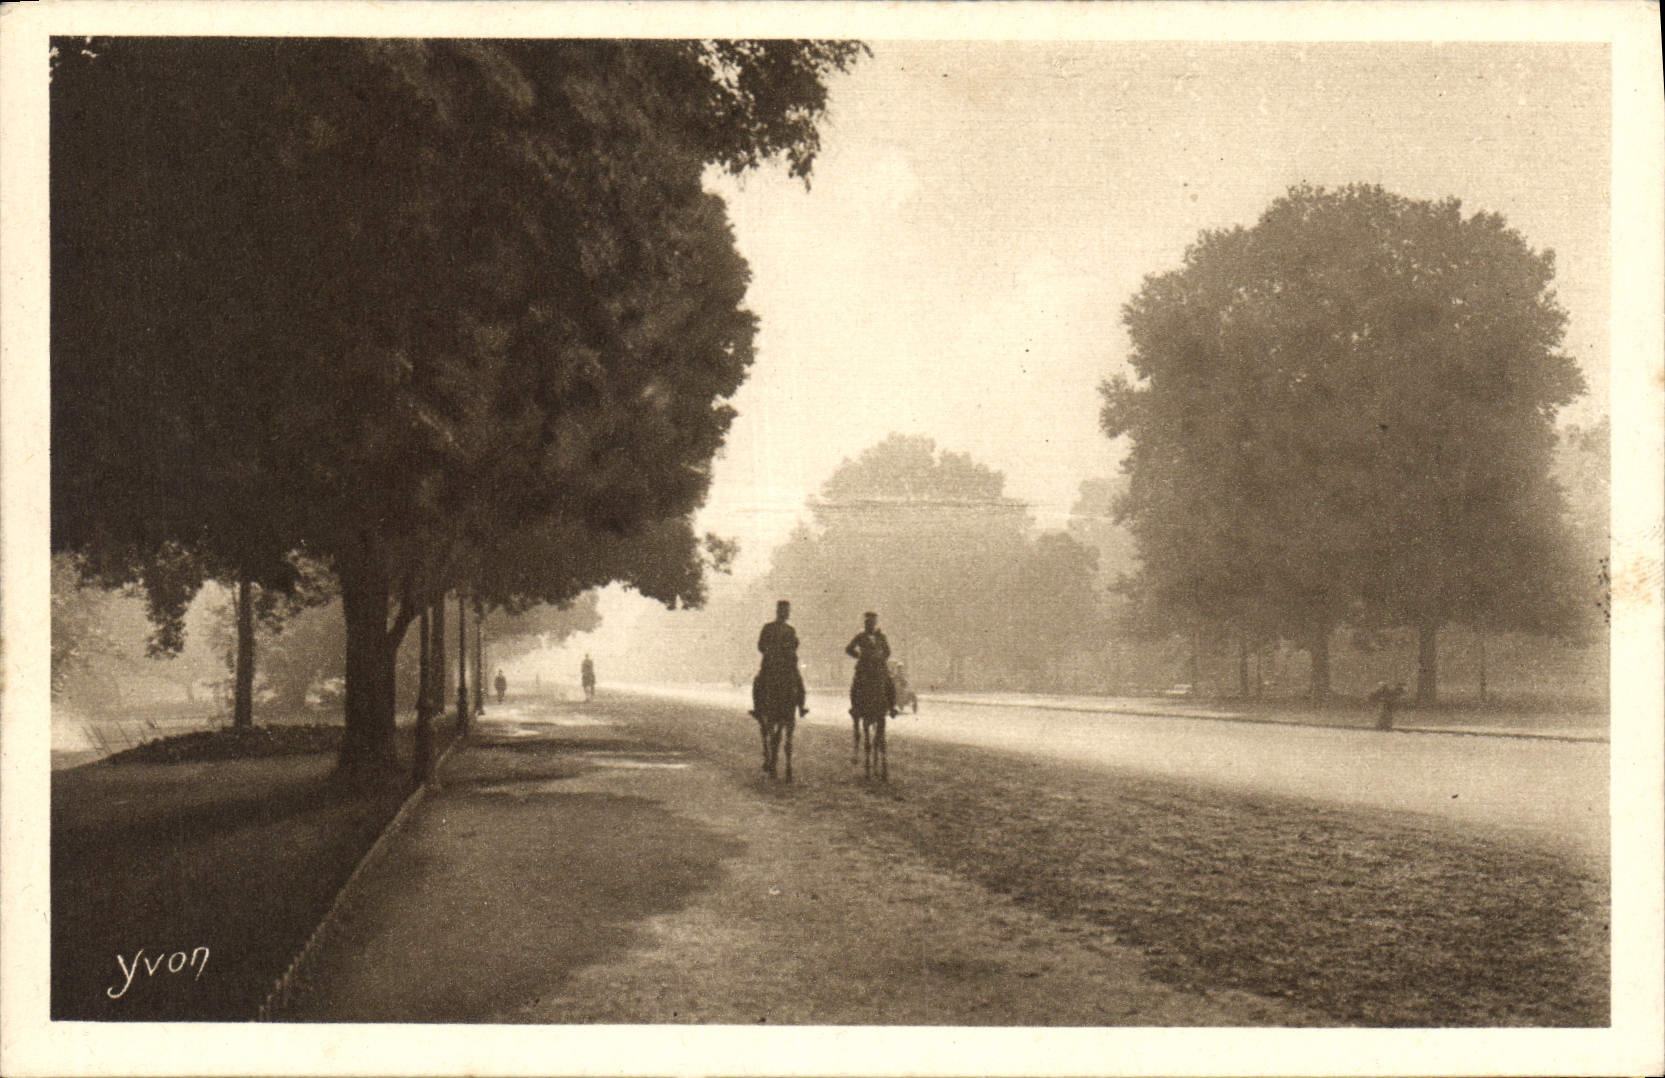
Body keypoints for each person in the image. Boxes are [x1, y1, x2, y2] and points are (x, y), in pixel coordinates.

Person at [753, 600, 808, 718]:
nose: (786, 613)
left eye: (787, 611)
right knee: (758, 683)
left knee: (799, 683)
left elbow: (794, 646)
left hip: (787, 665)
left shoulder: (790, 630)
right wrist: (770, 652)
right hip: (770, 664)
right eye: (784, 610)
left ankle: (801, 706)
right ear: (778, 611)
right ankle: (757, 708)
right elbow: (761, 645)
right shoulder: (768, 628)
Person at [846, 611, 896, 717]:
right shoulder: (860, 636)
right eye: (868, 622)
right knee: (856, 685)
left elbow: (887, 651)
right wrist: (859, 656)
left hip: (878, 666)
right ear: (865, 623)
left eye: (872, 622)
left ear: (875, 623)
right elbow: (849, 649)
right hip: (864, 667)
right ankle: (855, 707)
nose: (870, 624)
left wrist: (881, 658)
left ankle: (892, 707)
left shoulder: (881, 636)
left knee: (889, 683)